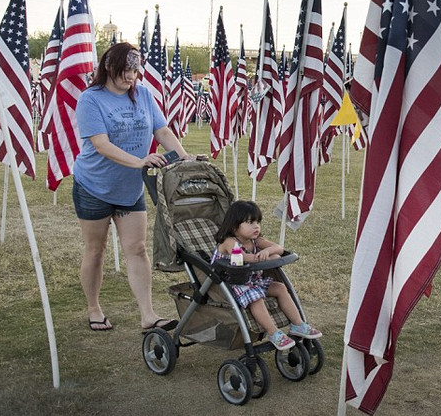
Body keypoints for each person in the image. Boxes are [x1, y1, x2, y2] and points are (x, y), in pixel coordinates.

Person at [73, 42, 192, 332]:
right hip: (93, 186)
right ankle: (94, 308)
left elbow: (161, 130)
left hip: (130, 190)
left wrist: (185, 157)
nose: (131, 77)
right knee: (95, 250)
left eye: (135, 71)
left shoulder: (144, 95)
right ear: (108, 68)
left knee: (137, 249)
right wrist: (139, 162)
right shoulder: (91, 99)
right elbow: (100, 144)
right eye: (125, 71)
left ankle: (148, 315)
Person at [211, 200, 322, 350]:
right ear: (234, 225)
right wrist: (270, 258)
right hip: (233, 284)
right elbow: (243, 257)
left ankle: (298, 325)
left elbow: (279, 248)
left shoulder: (255, 240)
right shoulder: (229, 241)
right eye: (250, 222)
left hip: (252, 281)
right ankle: (273, 332)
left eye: (258, 221)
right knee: (256, 298)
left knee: (280, 288)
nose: (256, 226)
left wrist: (267, 252)